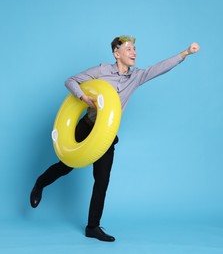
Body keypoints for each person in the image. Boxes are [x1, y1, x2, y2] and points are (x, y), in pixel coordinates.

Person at [30, 35, 200, 242]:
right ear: (116, 54)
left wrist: (185, 53)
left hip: (106, 134)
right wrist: (83, 97)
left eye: (135, 49)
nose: (134, 52)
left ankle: (92, 227)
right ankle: (40, 183)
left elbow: (159, 68)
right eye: (129, 49)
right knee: (65, 166)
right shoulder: (101, 71)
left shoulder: (137, 76)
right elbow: (71, 80)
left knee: (102, 180)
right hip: (87, 126)